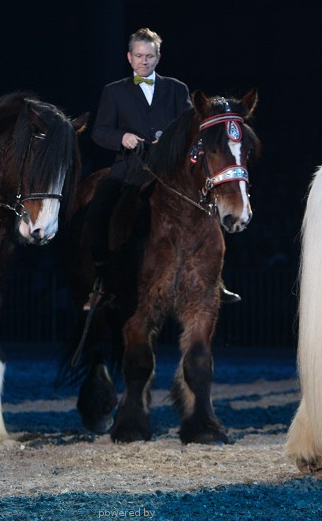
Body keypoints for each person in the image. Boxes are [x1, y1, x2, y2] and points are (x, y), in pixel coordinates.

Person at [86, 27, 240, 310]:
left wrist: (167, 139)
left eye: (149, 56)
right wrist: (122, 137)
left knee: (209, 203)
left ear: (158, 57)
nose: (144, 61)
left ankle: (215, 278)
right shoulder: (114, 91)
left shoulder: (177, 88)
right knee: (98, 209)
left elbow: (189, 128)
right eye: (139, 56)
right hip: (129, 167)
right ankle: (101, 280)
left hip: (169, 169)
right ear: (129, 58)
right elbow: (99, 131)